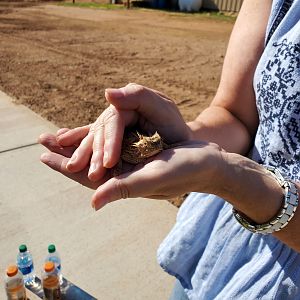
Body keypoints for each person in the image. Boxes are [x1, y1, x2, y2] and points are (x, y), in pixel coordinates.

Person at [39, 0, 300, 298]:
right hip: (220, 254)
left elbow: (231, 175)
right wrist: (183, 137)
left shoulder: (229, 178)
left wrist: (232, 179)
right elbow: (236, 116)